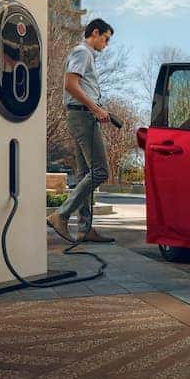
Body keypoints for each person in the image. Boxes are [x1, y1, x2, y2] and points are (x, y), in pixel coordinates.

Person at [46, 18, 116, 244]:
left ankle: (85, 229)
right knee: (100, 171)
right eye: (105, 39)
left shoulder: (86, 55)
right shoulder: (82, 52)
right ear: (95, 32)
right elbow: (70, 84)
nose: (106, 44)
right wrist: (95, 109)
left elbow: (80, 86)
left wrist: (98, 109)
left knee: (86, 173)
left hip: (82, 114)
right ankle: (61, 215)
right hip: (82, 116)